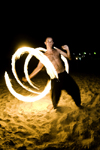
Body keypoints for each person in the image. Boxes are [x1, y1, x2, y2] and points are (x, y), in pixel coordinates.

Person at [22, 37, 81, 110]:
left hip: (64, 74)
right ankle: (55, 106)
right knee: (55, 95)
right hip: (55, 77)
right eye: (48, 41)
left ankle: (78, 104)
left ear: (53, 43)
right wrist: (28, 78)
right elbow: (38, 68)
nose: (50, 43)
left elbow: (69, 57)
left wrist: (67, 49)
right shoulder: (44, 56)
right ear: (45, 43)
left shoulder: (57, 50)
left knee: (75, 89)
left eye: (51, 41)